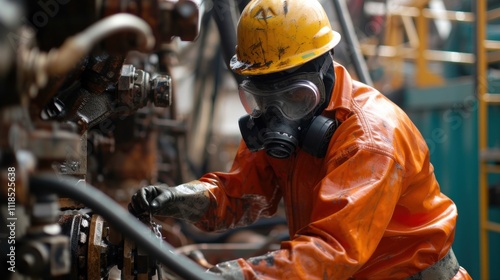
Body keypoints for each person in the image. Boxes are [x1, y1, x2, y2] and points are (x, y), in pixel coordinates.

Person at [129, 0, 472, 278]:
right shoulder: (282, 120)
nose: (278, 113)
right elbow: (241, 193)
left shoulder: (369, 140)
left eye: (295, 96)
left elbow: (330, 252)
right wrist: (180, 199)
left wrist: (233, 275)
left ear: (325, 70)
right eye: (262, 99)